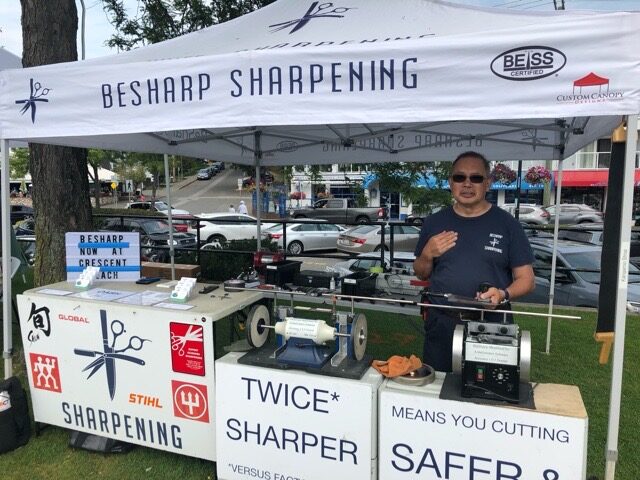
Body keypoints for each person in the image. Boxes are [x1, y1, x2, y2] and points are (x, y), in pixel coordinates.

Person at [413, 151, 535, 372]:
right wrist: (426, 254)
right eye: (460, 177)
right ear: (451, 183)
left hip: (491, 324)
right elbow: (421, 273)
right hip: (442, 325)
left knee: (486, 391)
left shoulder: (508, 225)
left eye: (476, 178)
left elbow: (526, 279)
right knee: (437, 390)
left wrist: (503, 294)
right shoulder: (434, 222)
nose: (467, 184)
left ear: (488, 183)